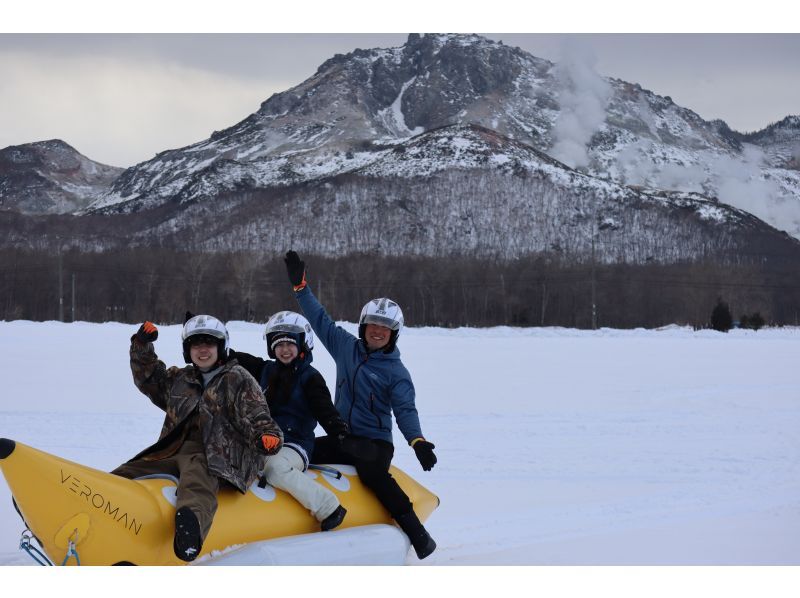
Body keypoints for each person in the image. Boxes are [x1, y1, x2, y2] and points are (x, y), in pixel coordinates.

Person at [283, 250, 438, 559]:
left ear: (394, 334)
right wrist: (301, 288)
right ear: (363, 327)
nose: (377, 331)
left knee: (372, 473)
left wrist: (417, 440)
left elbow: (405, 409)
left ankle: (418, 533)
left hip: (374, 443)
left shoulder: (396, 372)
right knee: (301, 449)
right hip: (343, 437)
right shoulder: (346, 348)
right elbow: (320, 320)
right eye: (372, 325)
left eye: (384, 328)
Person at [111, 314, 283, 562]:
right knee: (131, 470)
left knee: (197, 475)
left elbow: (258, 414)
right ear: (187, 350)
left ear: (221, 347)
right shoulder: (181, 379)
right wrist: (141, 345)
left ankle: (190, 532)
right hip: (173, 448)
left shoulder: (238, 378)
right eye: (196, 344)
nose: (203, 350)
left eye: (209, 344)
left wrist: (267, 436)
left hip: (220, 455)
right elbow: (149, 378)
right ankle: (86, 507)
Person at [230, 310, 349, 531]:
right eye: (278, 344)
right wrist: (208, 339)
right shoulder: (266, 370)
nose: (284, 350)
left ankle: (329, 506)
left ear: (303, 344)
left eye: (290, 343)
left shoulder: (310, 378)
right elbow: (234, 358)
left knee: (274, 468)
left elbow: (325, 410)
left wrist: (339, 430)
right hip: (265, 440)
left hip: (295, 444)